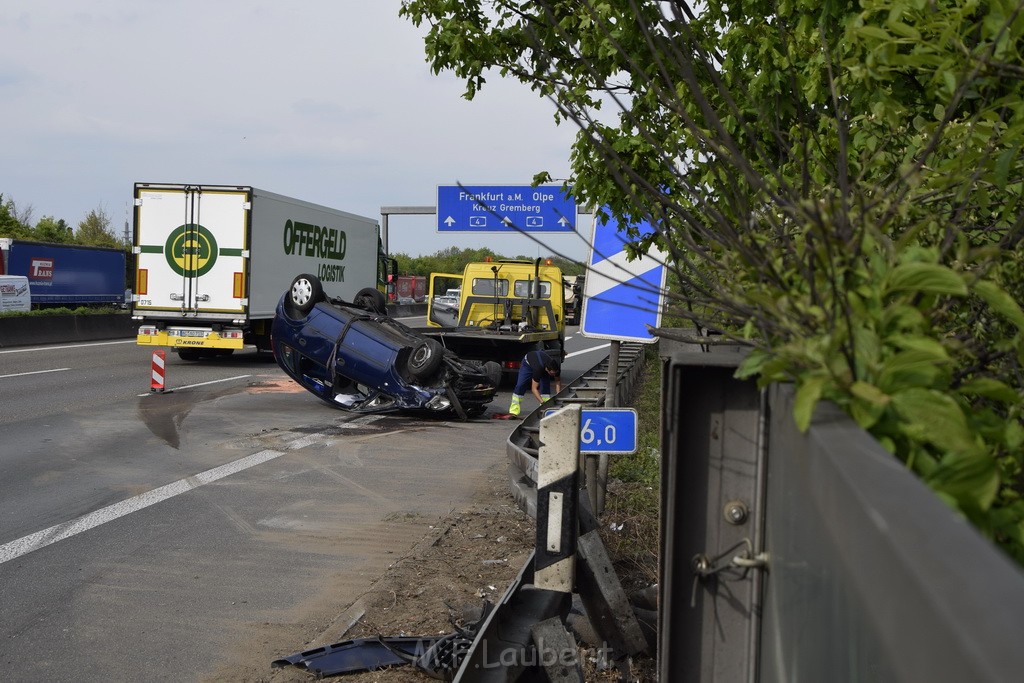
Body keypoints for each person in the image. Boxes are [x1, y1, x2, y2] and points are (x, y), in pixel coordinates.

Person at [509, 349, 562, 416]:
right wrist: (542, 402)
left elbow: (557, 381)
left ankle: (546, 410)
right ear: (547, 369)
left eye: (554, 373)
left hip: (541, 363)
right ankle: (514, 411)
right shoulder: (538, 369)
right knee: (521, 385)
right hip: (528, 364)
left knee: (545, 387)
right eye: (551, 373)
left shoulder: (555, 368)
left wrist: (558, 394)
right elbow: (534, 389)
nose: (553, 375)